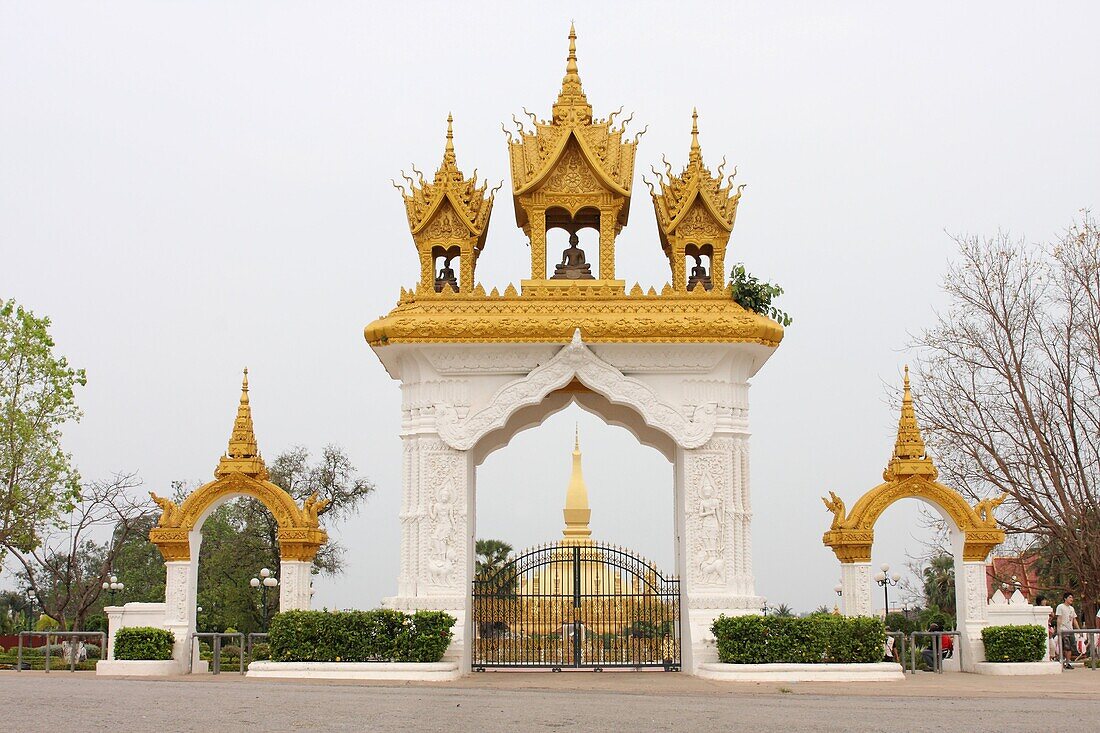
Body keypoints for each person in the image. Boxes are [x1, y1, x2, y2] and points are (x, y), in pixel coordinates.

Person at [1055, 592, 1081, 669]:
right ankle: (1061, 661)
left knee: (1070, 647)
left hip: (1070, 630)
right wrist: (1058, 629)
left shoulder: (1071, 608)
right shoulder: (1060, 607)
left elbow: (1074, 620)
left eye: (1072, 598)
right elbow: (1059, 618)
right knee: (1066, 647)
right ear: (1065, 598)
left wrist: (1079, 630)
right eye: (1070, 597)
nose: (1071, 599)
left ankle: (1068, 662)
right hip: (1064, 630)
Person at [1036, 595, 1058, 661]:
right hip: (1043, 628)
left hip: (1049, 628)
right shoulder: (1038, 609)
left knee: (1052, 646)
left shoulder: (1048, 609)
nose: (1045, 601)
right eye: (1043, 600)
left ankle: (1051, 657)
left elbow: (1052, 615)